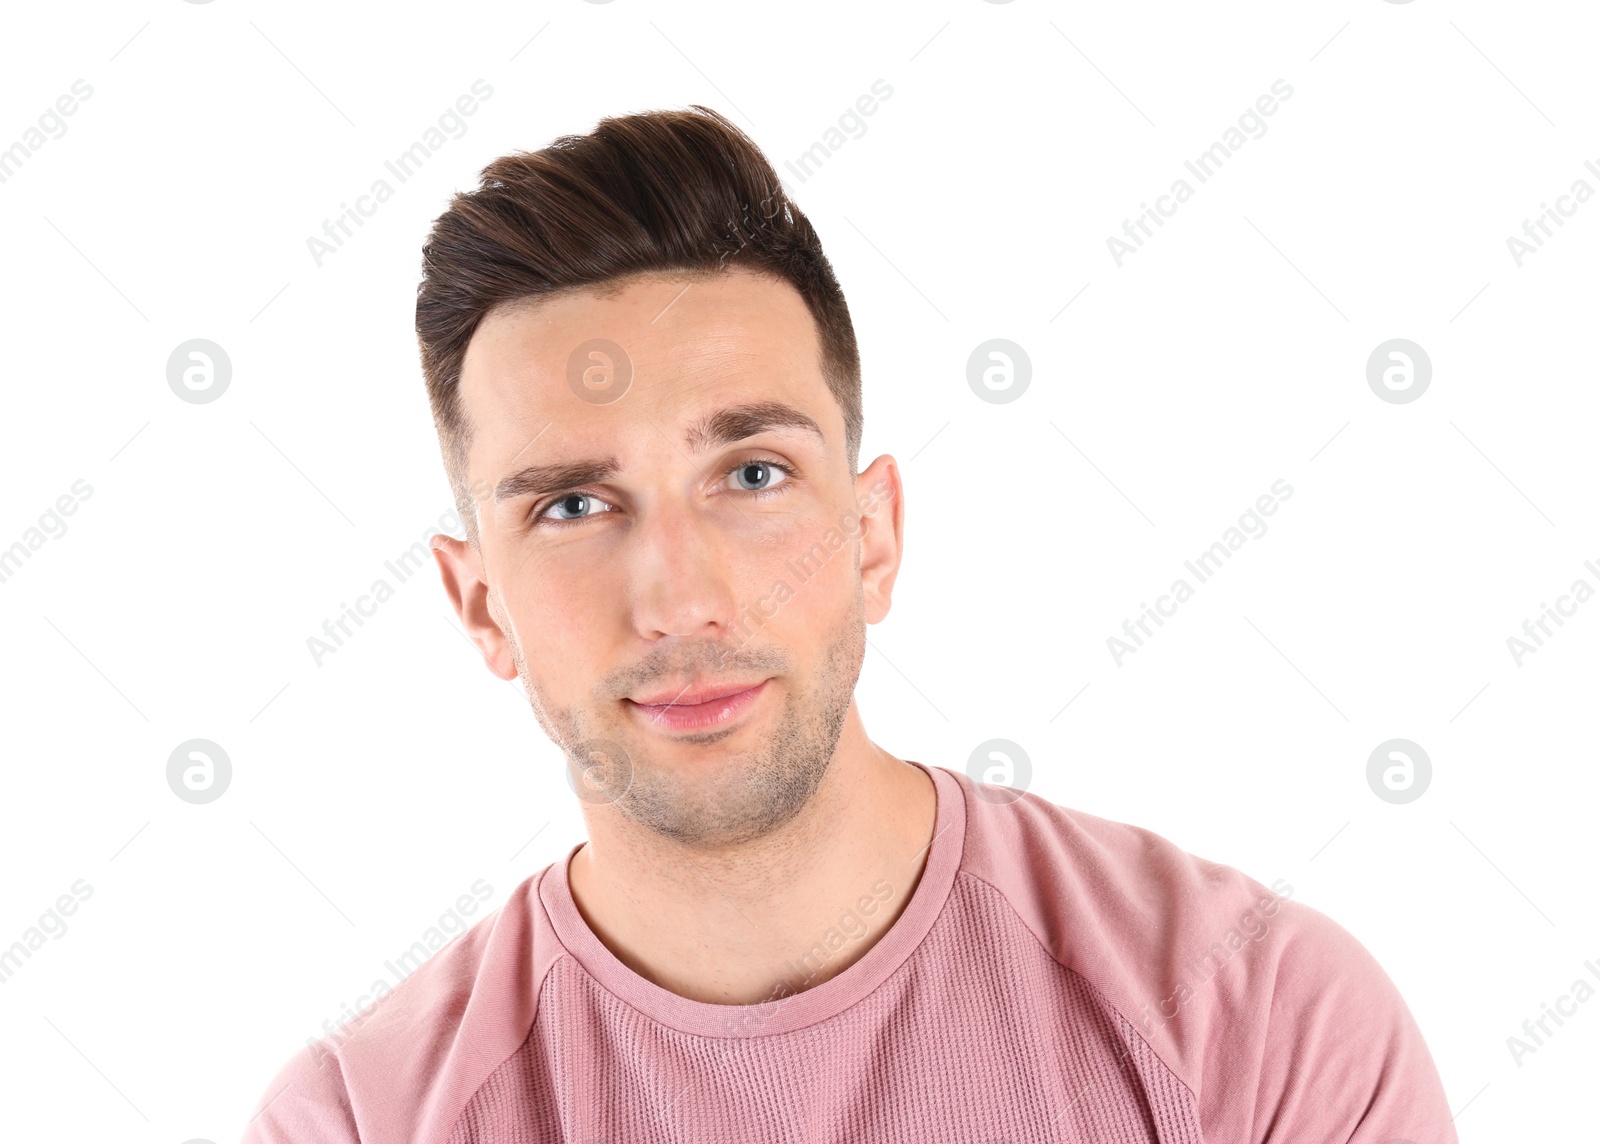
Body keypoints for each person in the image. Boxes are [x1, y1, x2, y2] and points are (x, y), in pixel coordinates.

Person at [241, 105, 1457, 1143]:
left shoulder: (1256, 1018)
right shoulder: (363, 1120)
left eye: (753, 474)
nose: (680, 598)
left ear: (871, 533)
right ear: (477, 602)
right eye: (572, 503)